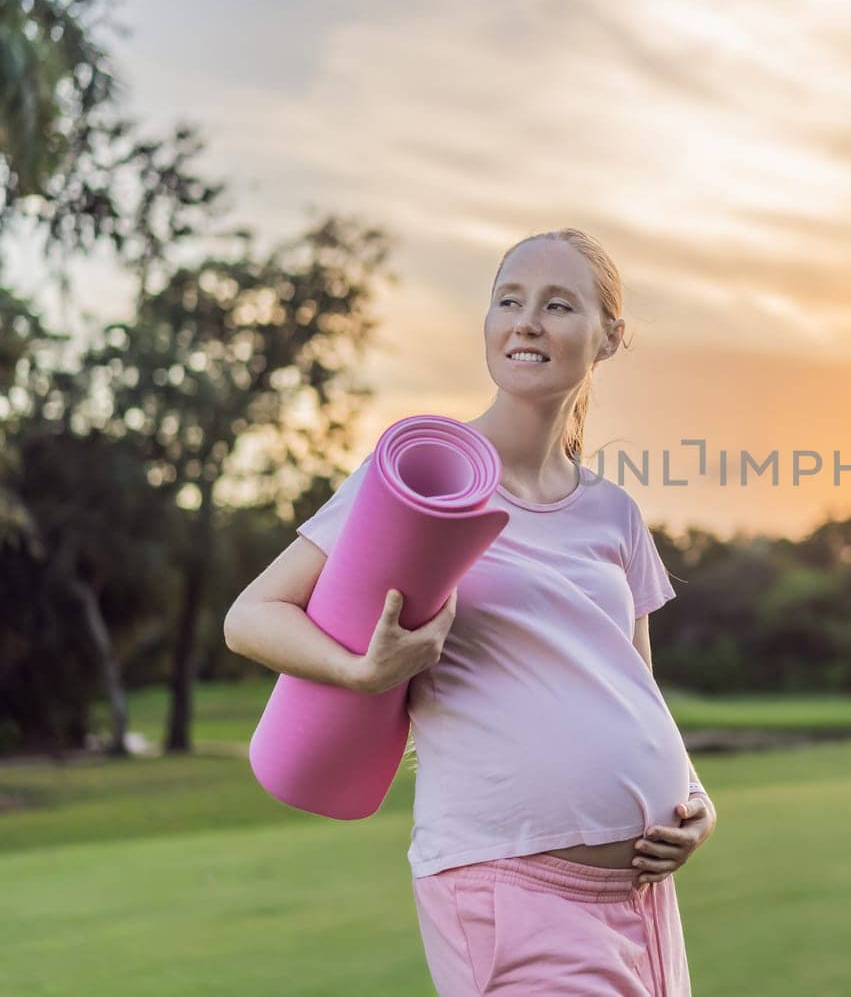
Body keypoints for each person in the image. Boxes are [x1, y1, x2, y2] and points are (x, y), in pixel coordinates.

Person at [224, 228, 713, 995]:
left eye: (558, 304)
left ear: (611, 336)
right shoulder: (426, 475)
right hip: (510, 889)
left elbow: (636, 691)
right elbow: (251, 614)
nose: (526, 321)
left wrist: (694, 796)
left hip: (645, 905)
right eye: (508, 301)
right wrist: (360, 670)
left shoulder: (614, 513)